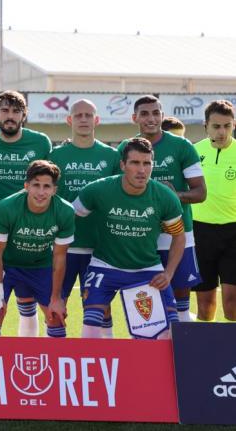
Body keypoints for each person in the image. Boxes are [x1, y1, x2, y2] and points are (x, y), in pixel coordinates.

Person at [74, 138, 185, 339]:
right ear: (123, 165)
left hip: (147, 269)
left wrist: (168, 274)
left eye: (147, 163)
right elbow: (69, 216)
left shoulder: (165, 197)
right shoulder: (98, 190)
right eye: (135, 163)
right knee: (91, 328)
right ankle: (102, 368)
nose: (142, 170)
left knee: (168, 333)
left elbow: (178, 236)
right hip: (105, 266)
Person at [117, 95, 206, 322]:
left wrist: (173, 196)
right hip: (139, 234)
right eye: (145, 113)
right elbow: (117, 189)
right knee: (144, 298)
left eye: (156, 113)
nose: (151, 118)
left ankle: (185, 343)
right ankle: (148, 349)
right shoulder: (125, 148)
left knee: (181, 297)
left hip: (177, 233)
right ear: (134, 117)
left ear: (162, 116)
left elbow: (200, 193)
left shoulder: (182, 146)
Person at [0, 91, 52, 336]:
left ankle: (28, 360)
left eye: (16, 111)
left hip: (32, 235)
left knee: (33, 304)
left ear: (23, 115)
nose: (10, 116)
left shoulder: (40, 143)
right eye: (5, 111)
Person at [49, 99, 121, 337]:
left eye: (88, 115)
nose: (83, 119)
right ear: (69, 120)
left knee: (102, 308)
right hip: (63, 245)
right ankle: (57, 360)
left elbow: (117, 196)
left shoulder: (110, 156)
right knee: (56, 306)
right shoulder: (55, 155)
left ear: (96, 120)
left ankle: (105, 360)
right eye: (78, 115)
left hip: (98, 247)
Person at [0, 160, 74, 337]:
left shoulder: (65, 211)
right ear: (26, 186)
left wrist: (56, 298)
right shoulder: (6, 207)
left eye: (46, 186)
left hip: (40, 265)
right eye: (36, 185)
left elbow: (60, 257)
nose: (41, 192)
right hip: (6, 265)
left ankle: (52, 362)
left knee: (56, 316)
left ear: (54, 189)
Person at [191, 100, 236, 321]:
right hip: (200, 232)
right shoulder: (192, 152)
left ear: (233, 125)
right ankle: (205, 353)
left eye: (227, 126)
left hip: (233, 232)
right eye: (216, 126)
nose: (222, 132)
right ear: (205, 126)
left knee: (232, 299)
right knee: (205, 302)